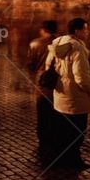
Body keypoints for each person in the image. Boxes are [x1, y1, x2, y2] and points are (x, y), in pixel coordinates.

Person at [45, 17, 90, 170]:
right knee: (77, 132)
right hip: (76, 97)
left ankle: (61, 158)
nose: (88, 32)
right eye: (85, 29)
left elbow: (48, 64)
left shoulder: (58, 43)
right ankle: (73, 161)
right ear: (77, 31)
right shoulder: (79, 48)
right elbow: (81, 76)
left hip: (60, 94)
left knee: (63, 130)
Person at [28, 20, 57, 154]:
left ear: (43, 30)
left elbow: (31, 65)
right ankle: (54, 137)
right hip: (57, 82)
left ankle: (43, 139)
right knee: (56, 111)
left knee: (42, 112)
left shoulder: (34, 44)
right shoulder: (61, 43)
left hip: (41, 83)